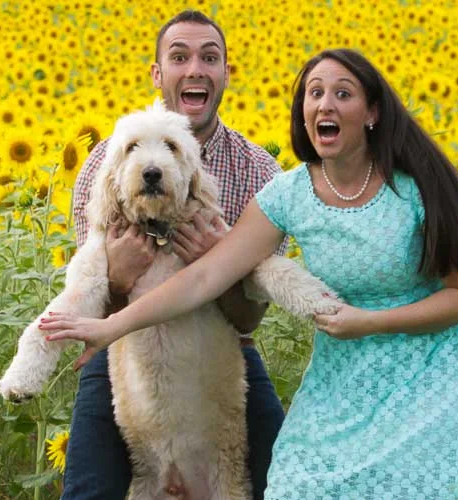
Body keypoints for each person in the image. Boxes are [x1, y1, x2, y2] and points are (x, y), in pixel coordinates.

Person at [44, 48, 458, 499]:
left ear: (373, 112)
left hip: (436, 373)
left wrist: (367, 321)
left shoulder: (419, 184)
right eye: (314, 93)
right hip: (348, 371)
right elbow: (202, 278)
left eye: (343, 93)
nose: (325, 105)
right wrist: (110, 323)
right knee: (294, 484)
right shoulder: (289, 194)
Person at [62, 10, 286, 500]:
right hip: (124, 351)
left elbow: (249, 320)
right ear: (157, 74)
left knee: (287, 473)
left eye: (210, 58)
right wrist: (119, 279)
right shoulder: (105, 162)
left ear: (227, 72)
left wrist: (222, 266)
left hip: (220, 353)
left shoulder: (258, 171)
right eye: (179, 57)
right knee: (88, 487)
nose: (195, 70)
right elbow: (90, 301)